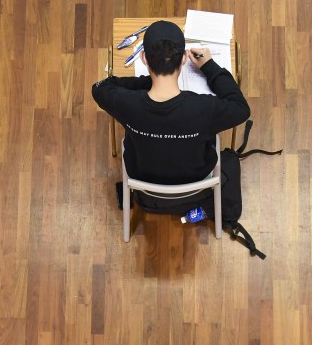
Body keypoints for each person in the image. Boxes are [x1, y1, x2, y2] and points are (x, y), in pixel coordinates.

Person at [91, 20, 250, 215]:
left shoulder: (126, 104)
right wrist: (209, 66)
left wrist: (149, 82)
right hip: (197, 180)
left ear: (143, 58)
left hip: (143, 180)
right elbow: (241, 108)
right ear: (183, 58)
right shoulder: (204, 108)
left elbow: (100, 87)